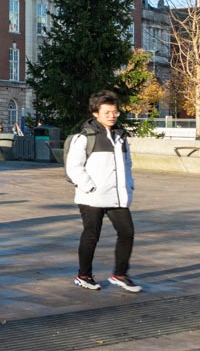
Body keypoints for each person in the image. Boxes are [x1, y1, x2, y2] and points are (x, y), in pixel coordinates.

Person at [67, 90, 141, 292]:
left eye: (115, 111)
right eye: (107, 112)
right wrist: (89, 186)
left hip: (117, 196)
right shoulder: (85, 137)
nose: (112, 115)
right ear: (95, 113)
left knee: (127, 233)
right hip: (91, 197)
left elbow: (127, 163)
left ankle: (120, 274)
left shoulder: (121, 136)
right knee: (92, 235)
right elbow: (73, 167)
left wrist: (129, 185)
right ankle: (84, 275)